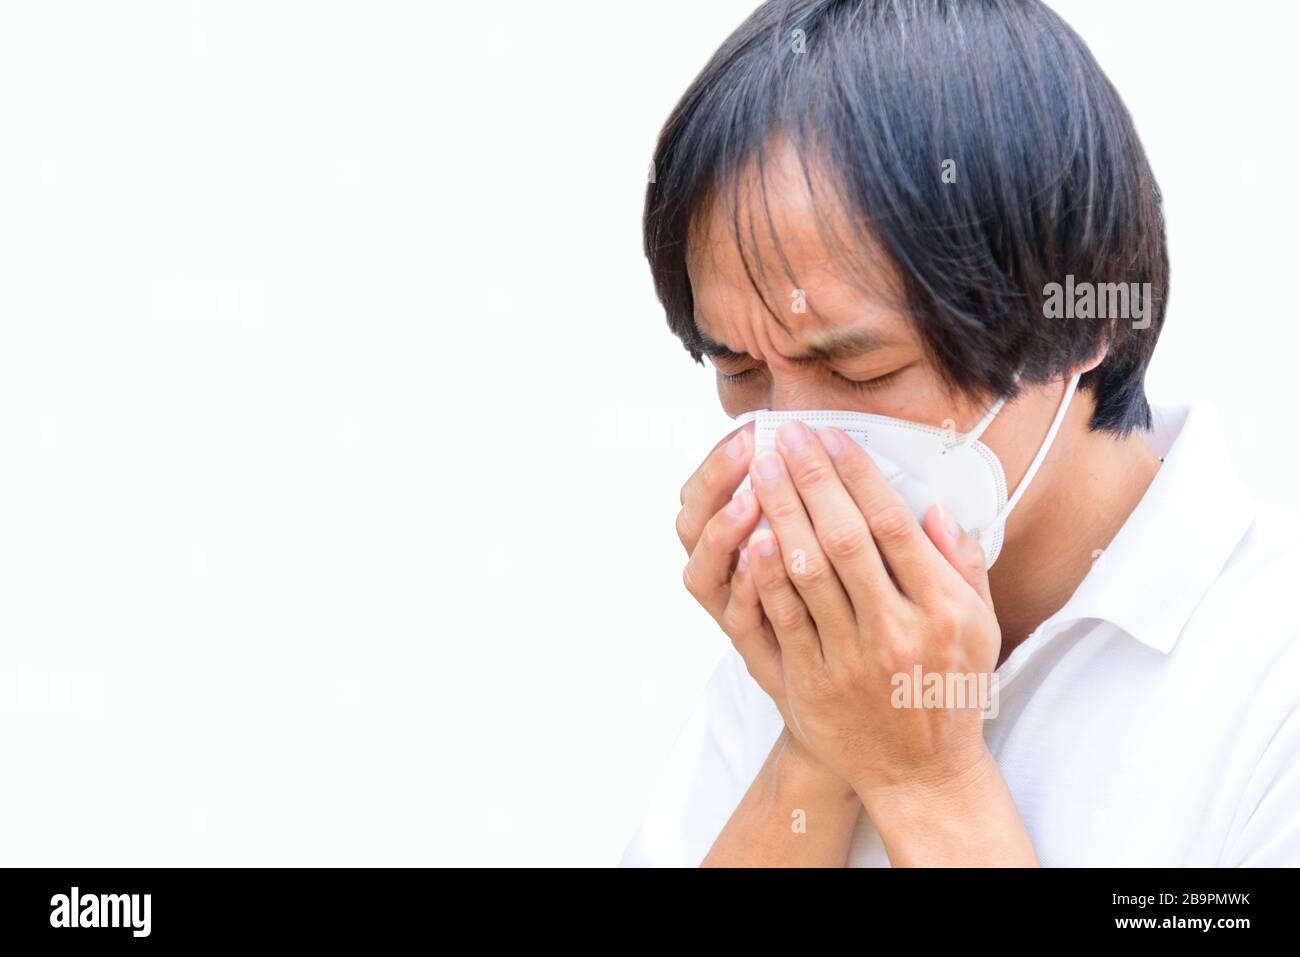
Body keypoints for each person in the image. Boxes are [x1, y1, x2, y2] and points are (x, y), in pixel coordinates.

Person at [621, 0, 1300, 866]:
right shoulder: (814, 632)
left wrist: (924, 779)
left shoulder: (1272, 672)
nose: (788, 444)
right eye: (741, 372)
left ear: (1081, 314)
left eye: (860, 372)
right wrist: (817, 746)